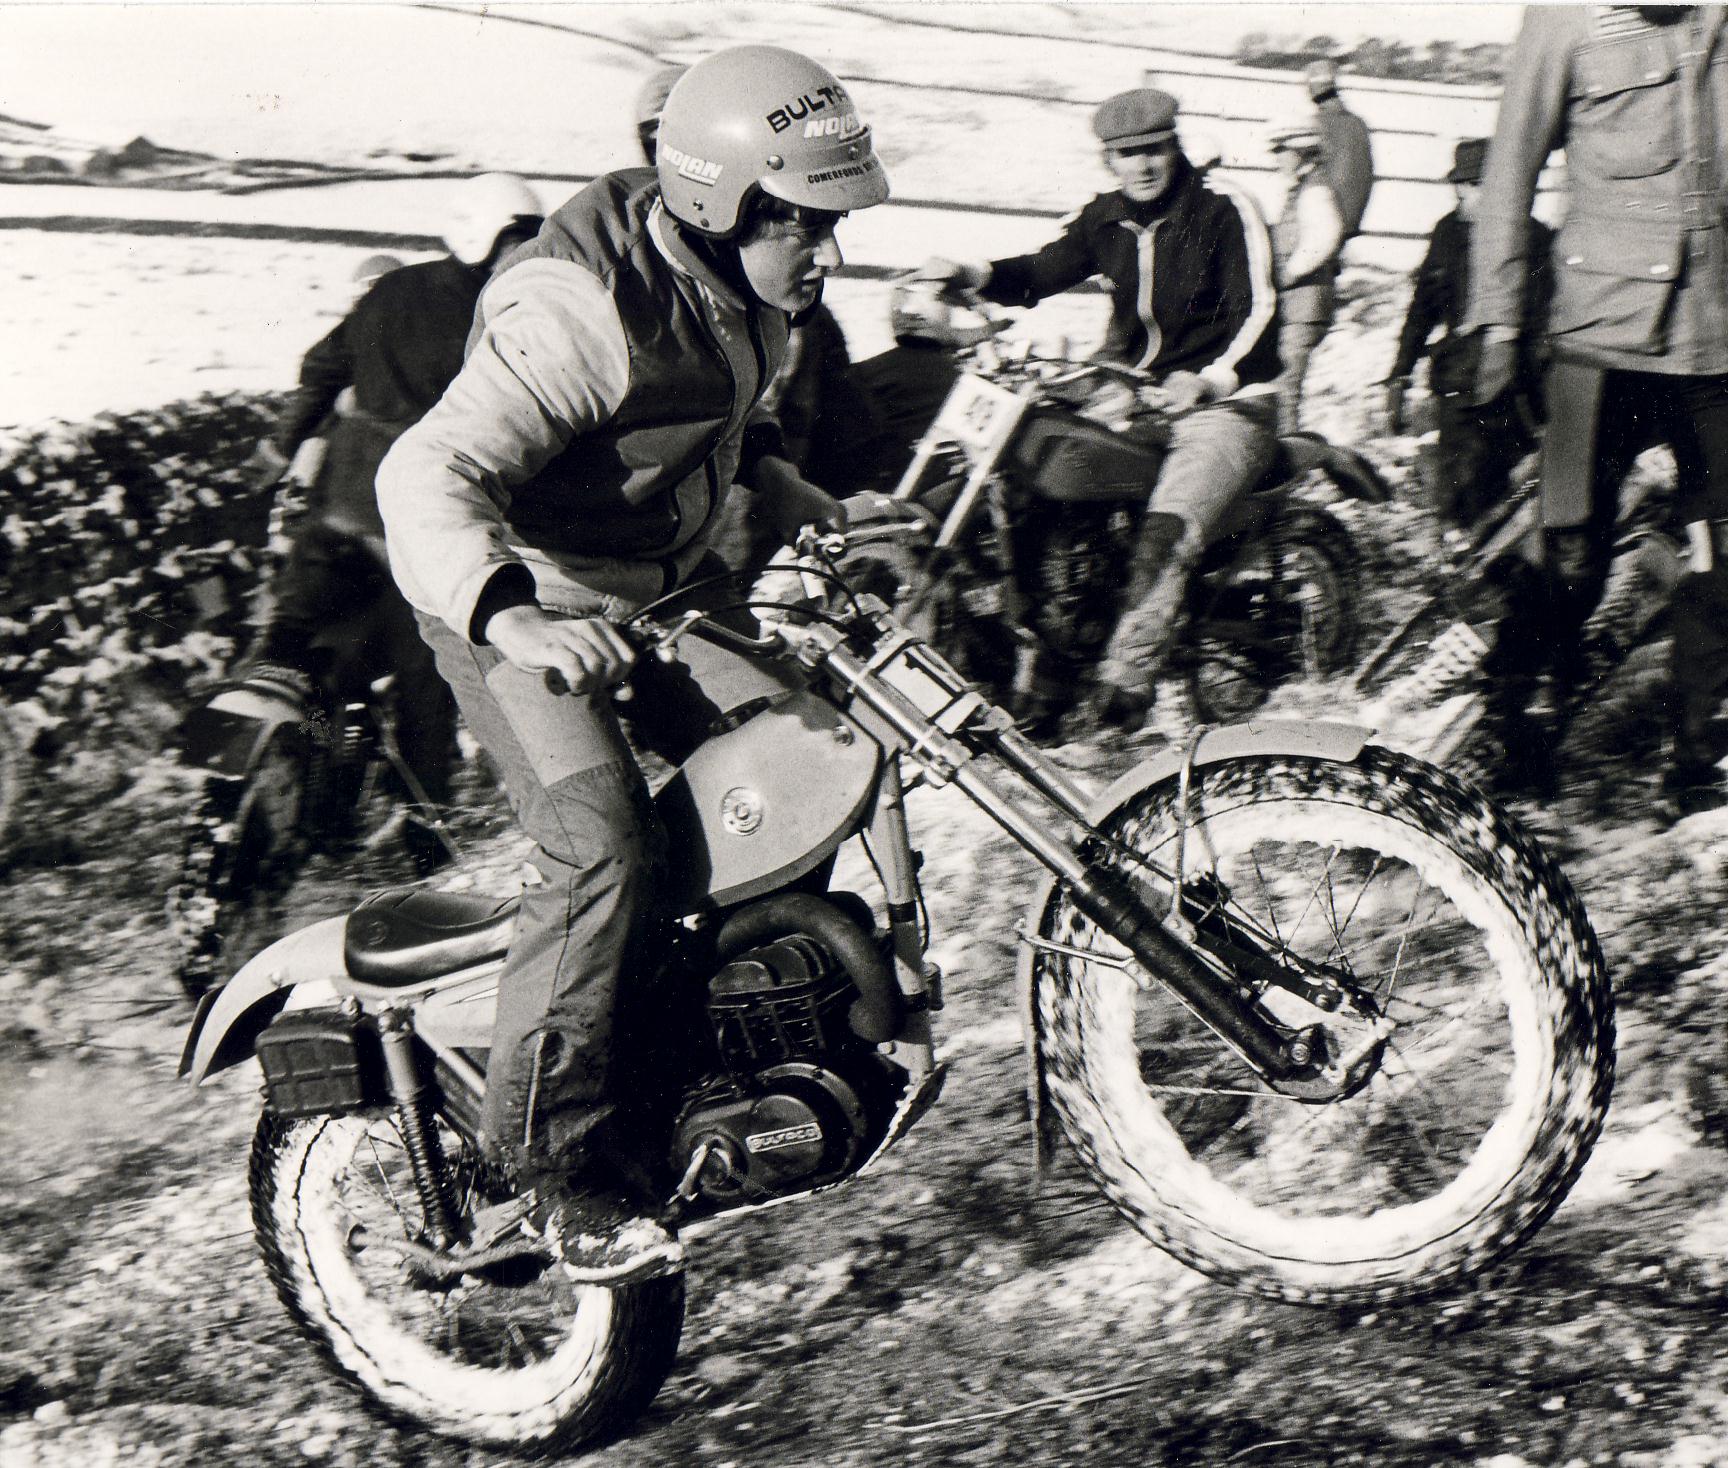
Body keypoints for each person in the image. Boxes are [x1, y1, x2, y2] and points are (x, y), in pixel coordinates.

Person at [376, 44, 888, 1281]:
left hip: (657, 596)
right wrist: (516, 618)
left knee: (809, 749)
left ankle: (706, 1059)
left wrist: (806, 500)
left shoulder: (756, 295)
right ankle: (546, 1168)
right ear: (728, 205)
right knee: (604, 845)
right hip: (518, 606)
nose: (829, 255)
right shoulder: (579, 312)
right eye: (807, 227)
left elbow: (713, 436)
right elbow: (424, 475)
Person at [913, 86, 1281, 725]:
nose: (1141, 165)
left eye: (1153, 150)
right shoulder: (1106, 218)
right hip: (1136, 392)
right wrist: (969, 273)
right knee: (1034, 470)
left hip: (1228, 404)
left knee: (1166, 531)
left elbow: (1262, 310)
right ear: (1107, 160)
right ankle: (1050, 652)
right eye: (1124, 154)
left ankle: (1122, 693)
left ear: (1175, 146)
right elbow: (1042, 268)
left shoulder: (1224, 208)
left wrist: (1212, 380)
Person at [1464, 4, 1728, 813]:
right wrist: (1501, 322)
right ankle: (1513, 733)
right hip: (1597, 334)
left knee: (1722, 553)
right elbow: (1509, 172)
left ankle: (1697, 759)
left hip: (1716, 337)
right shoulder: (1562, 19)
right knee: (1569, 554)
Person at [242, 174, 544, 871]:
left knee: (298, 647)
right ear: (489, 238)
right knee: (427, 690)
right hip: (418, 526)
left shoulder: (388, 290)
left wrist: (281, 443)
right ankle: (427, 845)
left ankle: (294, 775)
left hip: (341, 510)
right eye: (518, 240)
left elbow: (320, 366)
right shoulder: (510, 312)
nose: (528, 255)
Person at [1385, 137, 1553, 532]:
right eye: (1462, 185)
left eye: (1477, 184)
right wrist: (1399, 375)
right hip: (1458, 383)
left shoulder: (1532, 236)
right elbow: (1422, 308)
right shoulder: (1446, 234)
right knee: (1456, 500)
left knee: (1508, 501)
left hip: (1513, 389)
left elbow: (1545, 321)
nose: (1466, 195)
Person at [1267, 120, 1346, 432]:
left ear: (1299, 152)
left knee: (1286, 386)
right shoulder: (1302, 188)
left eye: (1281, 151)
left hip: (1305, 306)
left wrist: (1289, 272)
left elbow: (1326, 237)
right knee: (1280, 383)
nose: (1277, 158)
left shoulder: (1315, 191)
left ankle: (1287, 455)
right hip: (1296, 305)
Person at [1304, 59, 1374, 244]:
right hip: (1351, 224)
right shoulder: (1359, 125)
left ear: (1311, 91)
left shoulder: (1316, 124)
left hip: (1325, 224)